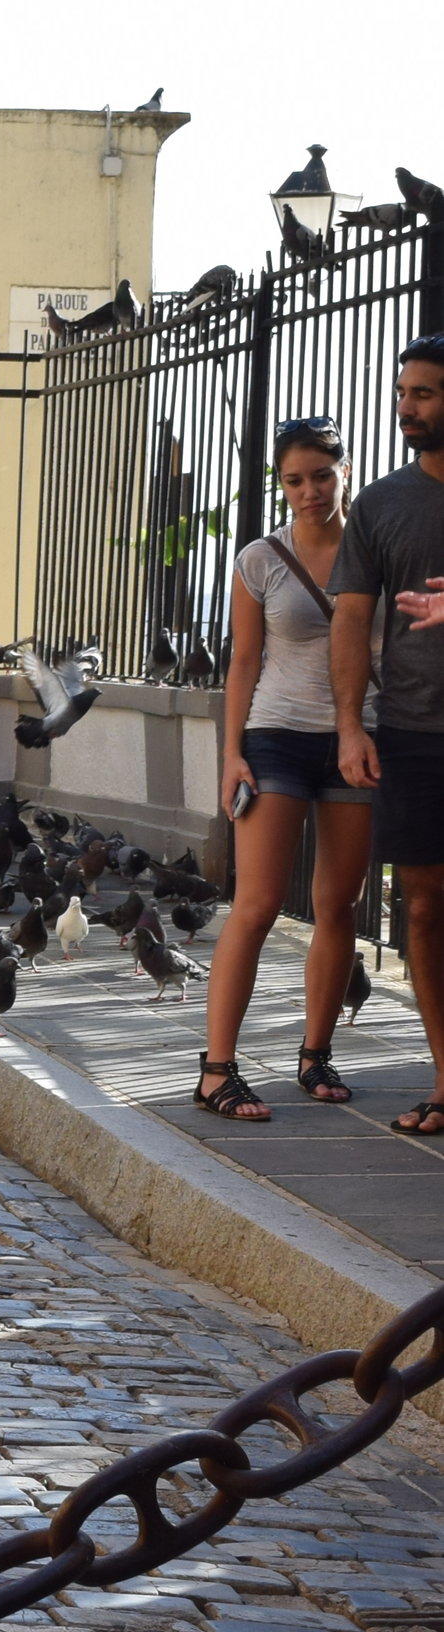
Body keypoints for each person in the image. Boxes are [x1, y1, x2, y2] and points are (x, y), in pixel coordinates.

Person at [195, 419, 374, 1119]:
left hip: (357, 740)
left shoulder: (377, 549)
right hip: (275, 738)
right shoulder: (260, 559)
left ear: (344, 471)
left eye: (322, 476)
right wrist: (231, 755)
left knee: (339, 904)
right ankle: (216, 1071)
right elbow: (243, 662)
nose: (309, 492)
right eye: (294, 480)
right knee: (259, 903)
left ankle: (315, 1054)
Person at [335, 335, 444, 1136]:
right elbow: (351, 621)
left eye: (424, 393)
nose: (406, 407)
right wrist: (351, 723)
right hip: (411, 733)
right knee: (425, 910)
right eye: (403, 392)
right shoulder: (379, 504)